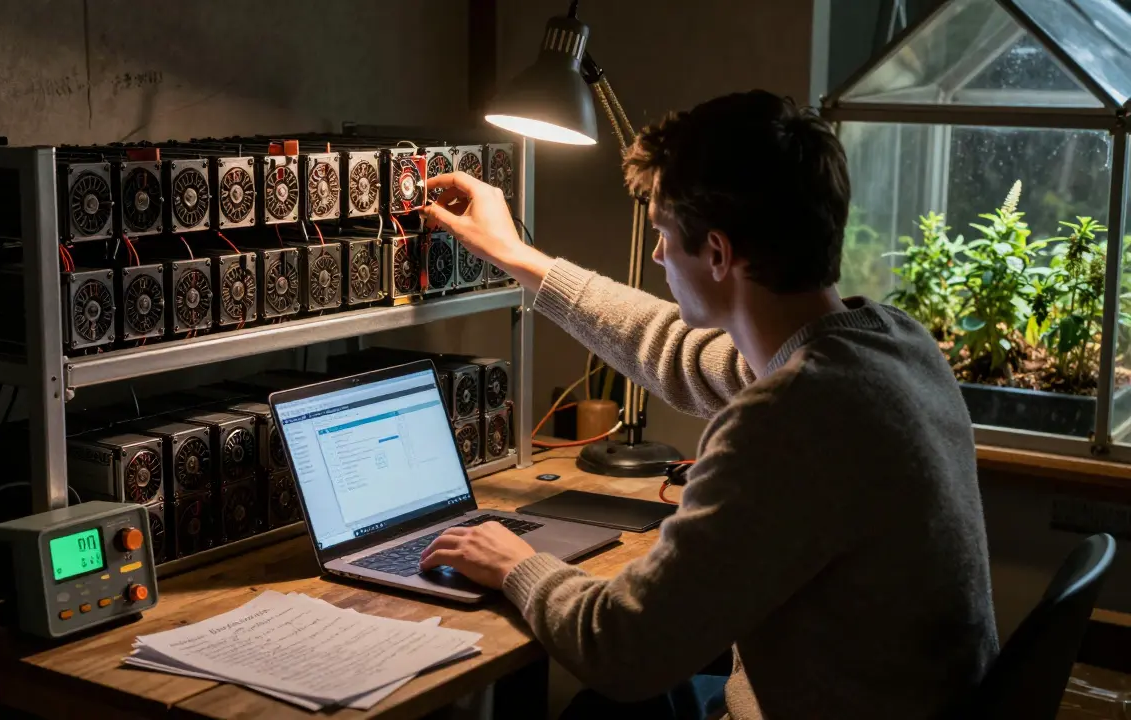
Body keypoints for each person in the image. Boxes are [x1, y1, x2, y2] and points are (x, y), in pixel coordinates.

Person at [417, 90, 998, 719]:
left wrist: (516, 565)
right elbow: (672, 348)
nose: (658, 254)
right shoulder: (890, 343)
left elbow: (622, 647)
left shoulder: (790, 418)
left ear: (719, 253)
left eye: (664, 234)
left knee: (603, 710)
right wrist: (516, 256)